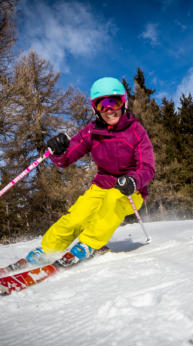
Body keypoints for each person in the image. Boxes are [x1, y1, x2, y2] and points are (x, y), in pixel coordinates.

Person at [26, 77, 155, 264]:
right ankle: (48, 248)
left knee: (113, 202)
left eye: (115, 102)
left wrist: (134, 180)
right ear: (95, 109)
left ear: (124, 103)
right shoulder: (91, 131)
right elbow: (66, 159)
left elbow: (147, 167)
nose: (110, 109)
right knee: (77, 216)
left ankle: (89, 243)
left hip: (130, 189)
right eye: (103, 105)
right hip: (101, 186)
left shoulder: (136, 132)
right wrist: (59, 151)